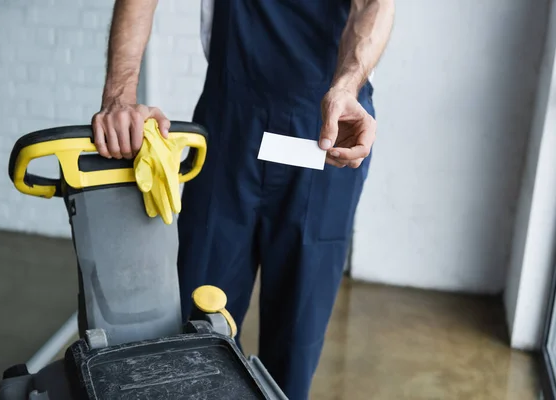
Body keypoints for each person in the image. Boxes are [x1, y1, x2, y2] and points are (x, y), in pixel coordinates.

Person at [92, 0, 395, 398]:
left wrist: (346, 84)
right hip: (230, 119)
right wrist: (120, 96)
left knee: (295, 332)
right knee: (196, 320)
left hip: (326, 127)